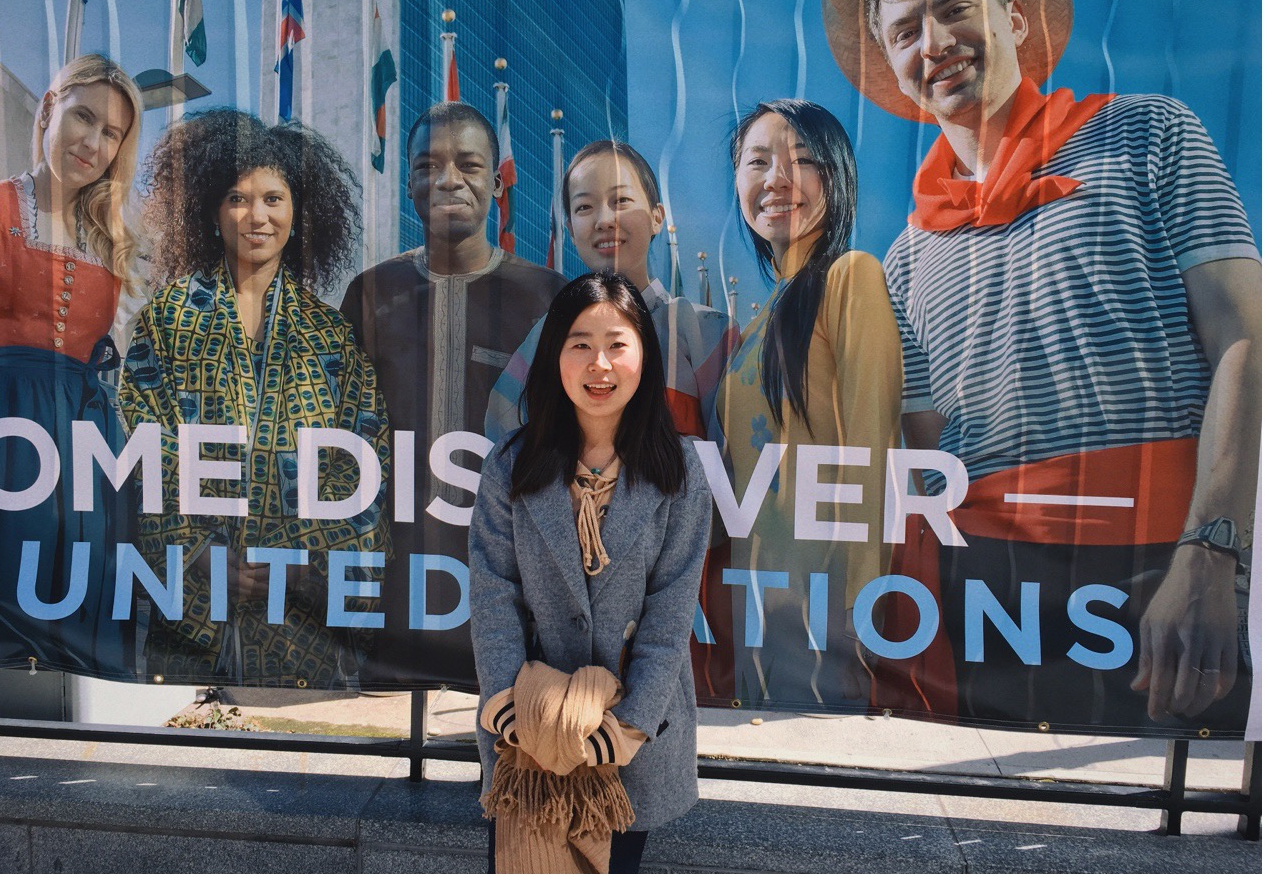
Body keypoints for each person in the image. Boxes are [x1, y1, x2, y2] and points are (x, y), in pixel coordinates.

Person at [822, 0, 1260, 731]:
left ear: (1016, 19)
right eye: (906, 31)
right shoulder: (907, 254)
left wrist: (1215, 554)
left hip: (1163, 563)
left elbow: (1246, 340)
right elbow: (926, 458)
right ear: (892, 65)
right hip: (992, 597)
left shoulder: (1149, 134)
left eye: (956, 9)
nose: (937, 42)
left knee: (1175, 844)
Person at [119, 110, 389, 688]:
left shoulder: (330, 334)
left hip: (302, 637)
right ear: (212, 213)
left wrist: (297, 569)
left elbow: (363, 463)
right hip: (189, 630)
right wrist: (203, 561)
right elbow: (141, 453)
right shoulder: (164, 324)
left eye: (274, 198)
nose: (257, 216)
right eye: (238, 199)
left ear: (297, 212)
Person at [469, 271, 712, 873]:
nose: (598, 364)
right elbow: (493, 591)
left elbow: (670, 611)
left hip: (627, 746)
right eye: (579, 343)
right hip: (524, 735)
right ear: (555, 356)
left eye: (617, 344)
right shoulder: (510, 467)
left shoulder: (679, 470)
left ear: (644, 357)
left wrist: (629, 725)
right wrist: (504, 703)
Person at [340, 101, 567, 688]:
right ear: (410, 182)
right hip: (392, 576)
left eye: (467, 164)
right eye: (427, 165)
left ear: (496, 182)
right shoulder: (371, 293)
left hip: (505, 574)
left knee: (500, 750)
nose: (447, 179)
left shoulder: (547, 298)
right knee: (384, 763)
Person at [714, 99, 902, 708]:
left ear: (837, 176)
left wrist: (861, 597)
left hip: (825, 605)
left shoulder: (852, 277)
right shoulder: (756, 322)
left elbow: (871, 446)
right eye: (757, 162)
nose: (776, 180)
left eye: (802, 160)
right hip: (758, 603)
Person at [0, 54, 141, 677]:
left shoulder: (111, 239)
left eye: (111, 133)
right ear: (49, 109)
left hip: (82, 438)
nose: (93, 142)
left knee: (79, 593)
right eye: (83, 117)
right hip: (5, 424)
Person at [485, 139, 739, 442]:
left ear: (657, 216)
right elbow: (502, 439)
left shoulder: (706, 333)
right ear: (570, 230)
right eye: (584, 207)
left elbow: (731, 463)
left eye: (621, 201)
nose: (604, 220)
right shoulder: (546, 338)